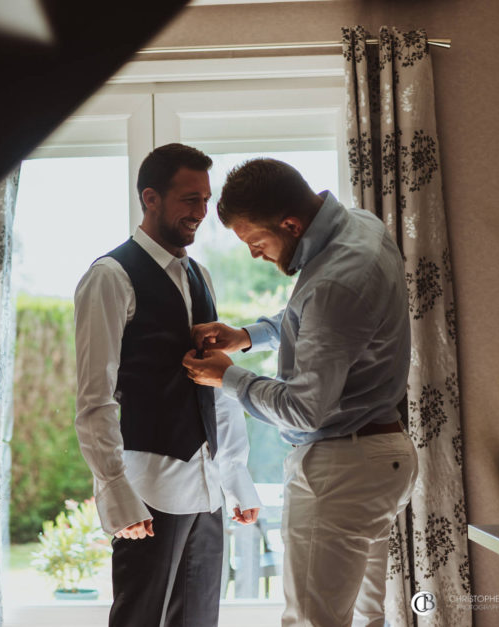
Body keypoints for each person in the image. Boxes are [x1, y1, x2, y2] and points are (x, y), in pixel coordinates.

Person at [182, 158, 419, 627]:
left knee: (313, 621)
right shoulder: (362, 227)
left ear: (290, 224)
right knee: (368, 617)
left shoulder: (336, 280)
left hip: (341, 473)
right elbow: (314, 319)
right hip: (382, 459)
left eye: (256, 242)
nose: (255, 254)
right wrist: (246, 336)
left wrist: (230, 378)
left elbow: (304, 409)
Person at [74, 143, 261, 627]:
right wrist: (115, 490)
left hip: (209, 487)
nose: (201, 212)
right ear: (150, 198)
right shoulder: (110, 277)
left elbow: (215, 382)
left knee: (199, 620)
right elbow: (94, 399)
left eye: (205, 200)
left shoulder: (199, 275)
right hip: (149, 489)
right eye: (189, 199)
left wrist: (236, 475)